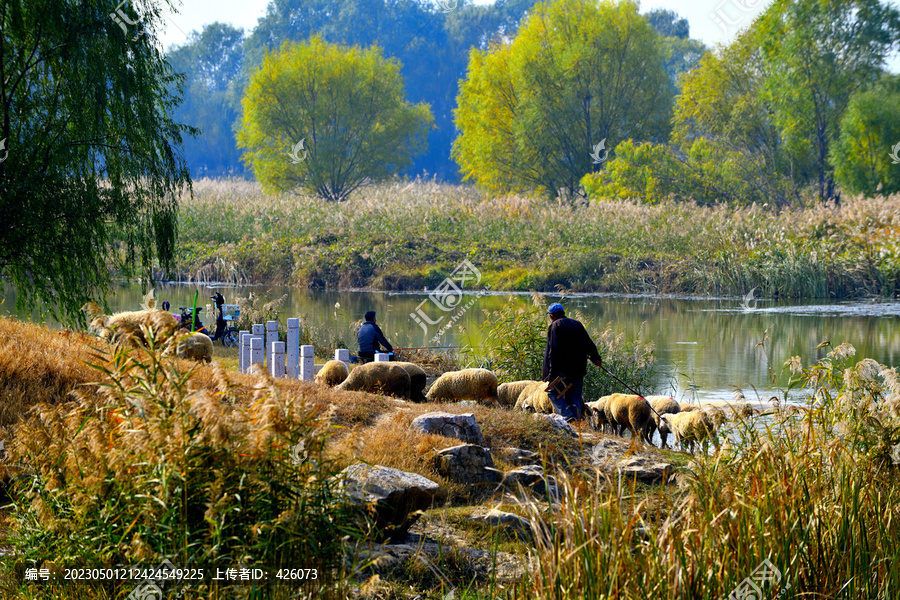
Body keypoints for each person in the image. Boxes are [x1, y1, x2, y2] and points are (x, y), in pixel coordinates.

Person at [542, 302, 602, 422]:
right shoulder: (576, 324)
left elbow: (553, 351)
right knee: (574, 397)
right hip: (579, 369)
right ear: (563, 313)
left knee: (552, 393)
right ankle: (577, 422)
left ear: (551, 316)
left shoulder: (555, 326)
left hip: (563, 371)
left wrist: (551, 373)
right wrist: (596, 359)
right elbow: (589, 343)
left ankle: (567, 415)